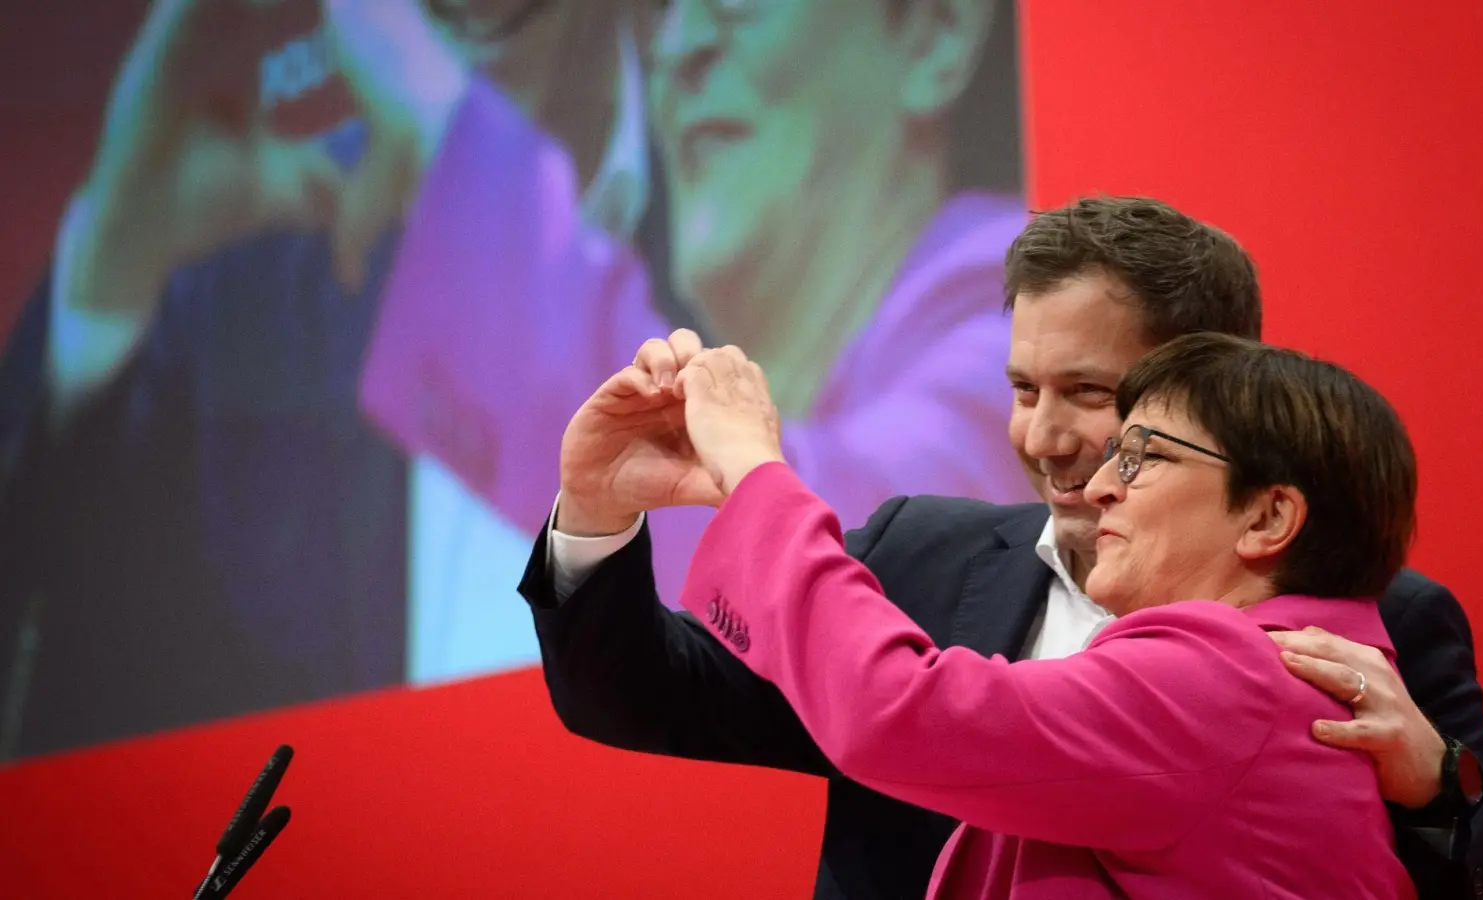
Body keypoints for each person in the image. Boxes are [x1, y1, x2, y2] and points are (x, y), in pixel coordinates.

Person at [522, 197, 1483, 898]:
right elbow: (641, 694)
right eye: (1021, 390)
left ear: (1213, 383)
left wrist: (1436, 781)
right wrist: (597, 514)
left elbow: (900, 711)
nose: (1051, 444)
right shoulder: (922, 551)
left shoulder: (1359, 636)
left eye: (1101, 404)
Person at [0, 0, 654, 758]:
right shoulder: (237, 258)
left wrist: (472, 175)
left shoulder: (766, 213)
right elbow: (60, 723)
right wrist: (103, 290)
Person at [356, 0, 1036, 630]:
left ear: (934, 33)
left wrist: (440, 128)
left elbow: (846, 565)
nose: (676, 47)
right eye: (658, 8)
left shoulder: (1019, 321)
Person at [664, 333, 1420, 897]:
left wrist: (755, 473)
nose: (1098, 490)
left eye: (1143, 458)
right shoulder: (1296, 670)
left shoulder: (1234, 676)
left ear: (1267, 517)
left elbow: (899, 710)